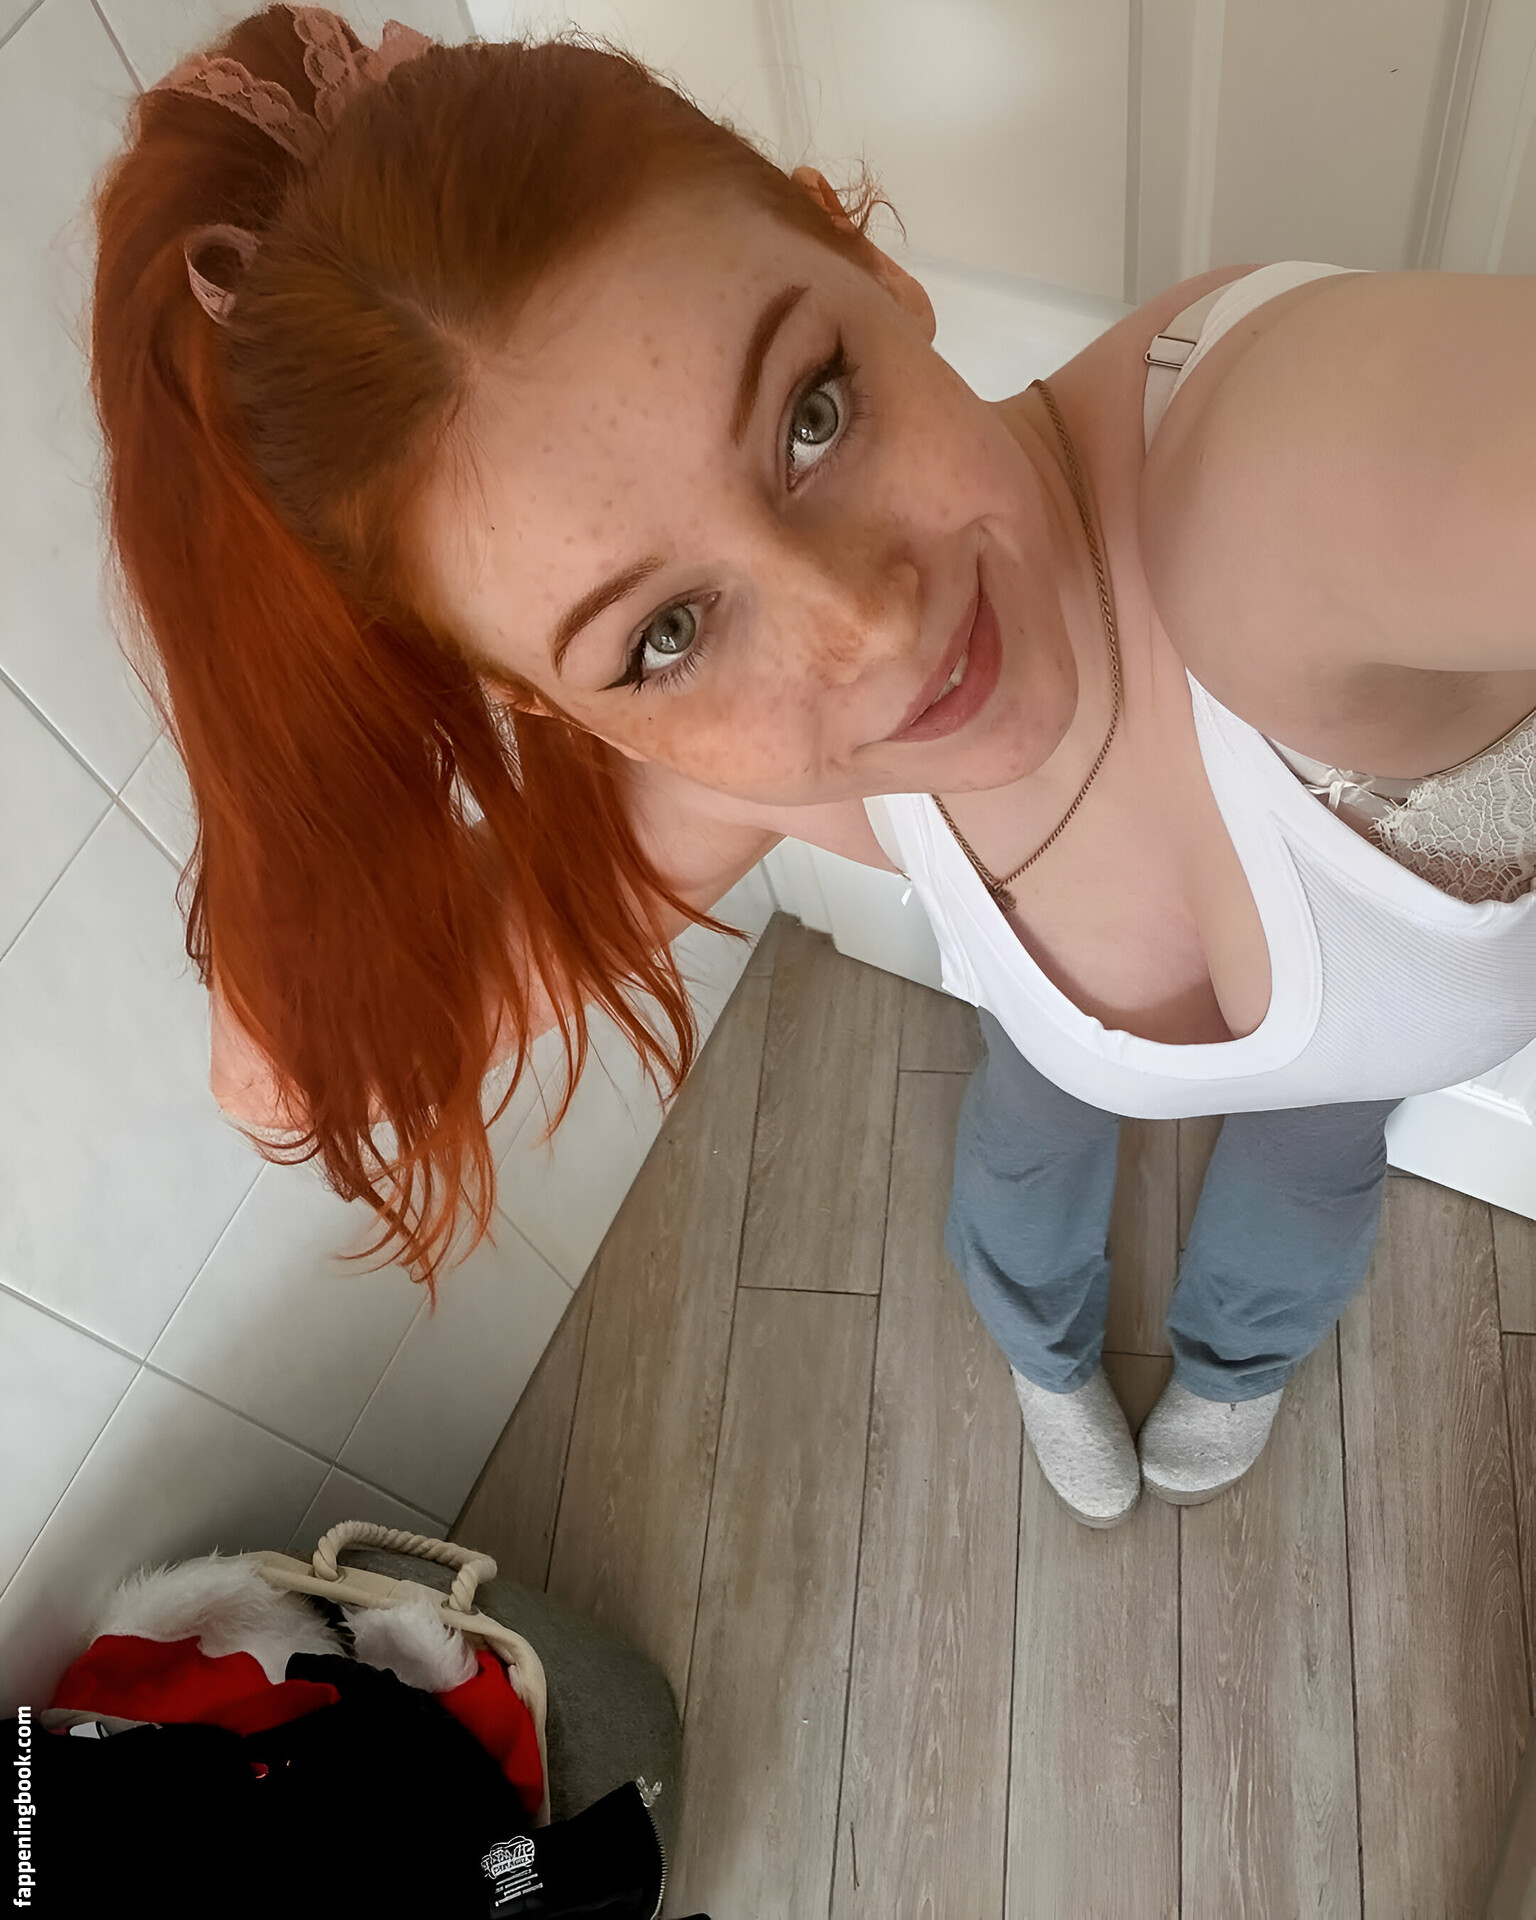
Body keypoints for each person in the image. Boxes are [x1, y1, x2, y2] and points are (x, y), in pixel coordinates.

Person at [91, 5, 1536, 1528]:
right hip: (1061, 1055)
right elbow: (296, 1074)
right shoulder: (743, 781)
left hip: (1345, 1069)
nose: (873, 632)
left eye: (813, 414)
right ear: (552, 709)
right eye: (664, 635)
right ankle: (1044, 1357)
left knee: (1311, 1176)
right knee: (1028, 1160)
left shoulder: (1267, 488)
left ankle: (1239, 1366)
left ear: (867, 259)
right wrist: (260, 713)